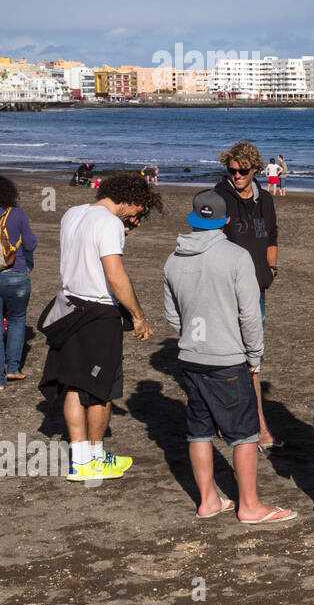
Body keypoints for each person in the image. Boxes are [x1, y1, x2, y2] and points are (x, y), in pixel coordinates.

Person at [163, 190, 295, 523]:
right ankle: (249, 506)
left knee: (199, 431)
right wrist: (254, 354)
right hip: (227, 358)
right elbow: (249, 315)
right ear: (225, 221)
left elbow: (173, 316)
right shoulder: (236, 256)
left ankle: (208, 500)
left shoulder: (174, 258)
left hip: (191, 357)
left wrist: (196, 336)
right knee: (244, 434)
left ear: (194, 218)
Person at [39, 173, 162, 481]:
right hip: (98, 312)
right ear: (131, 200)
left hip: (69, 305)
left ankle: (80, 458)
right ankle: (93, 458)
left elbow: (87, 252)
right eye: (140, 210)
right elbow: (114, 275)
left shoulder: (73, 213)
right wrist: (138, 315)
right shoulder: (108, 224)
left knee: (72, 383)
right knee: (100, 389)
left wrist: (123, 231)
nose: (138, 216)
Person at [215, 141, 280, 452]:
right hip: (225, 290)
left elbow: (272, 234)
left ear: (256, 169)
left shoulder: (265, 199)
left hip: (257, 290)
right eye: (232, 170)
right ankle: (247, 422)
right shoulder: (217, 197)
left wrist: (270, 267)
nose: (237, 175)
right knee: (229, 356)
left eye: (243, 170)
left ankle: (255, 421)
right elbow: (206, 239)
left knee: (253, 357)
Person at [1, 175, 37, 389]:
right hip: (16, 274)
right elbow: (30, 244)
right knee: (16, 320)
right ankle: (13, 369)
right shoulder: (17, 214)